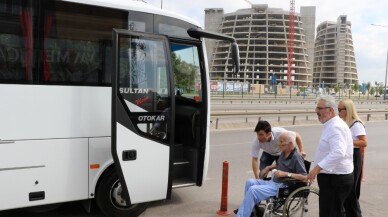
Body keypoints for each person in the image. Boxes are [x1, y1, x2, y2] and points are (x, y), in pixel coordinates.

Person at [235, 131, 307, 217]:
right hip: (274, 181)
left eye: (281, 142)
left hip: (282, 185)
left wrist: (286, 174)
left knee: (253, 190)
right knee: (249, 182)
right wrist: (268, 167)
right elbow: (279, 164)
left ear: (290, 144)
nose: (279, 144)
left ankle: (241, 215)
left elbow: (304, 177)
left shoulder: (296, 157)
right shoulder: (284, 153)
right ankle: (252, 209)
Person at [306, 95, 354, 217]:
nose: (316, 111)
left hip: (336, 179)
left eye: (319, 108)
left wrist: (317, 168)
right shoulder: (331, 124)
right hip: (332, 177)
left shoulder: (335, 127)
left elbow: (338, 152)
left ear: (330, 110)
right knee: (331, 212)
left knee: (332, 213)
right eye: (316, 108)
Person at [339, 99, 367, 217]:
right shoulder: (344, 122)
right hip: (346, 157)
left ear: (347, 110)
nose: (338, 112)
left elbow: (364, 143)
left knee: (350, 191)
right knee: (346, 190)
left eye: (340, 109)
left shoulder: (357, 124)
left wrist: (348, 141)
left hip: (354, 157)